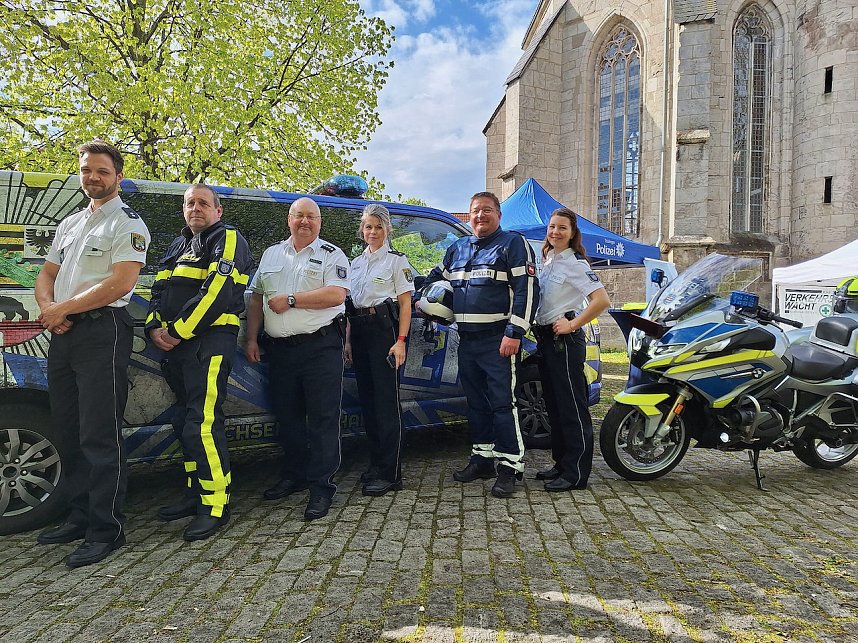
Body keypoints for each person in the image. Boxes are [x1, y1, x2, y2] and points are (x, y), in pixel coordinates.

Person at [34, 140, 150, 567]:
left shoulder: (128, 223)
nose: (93, 177)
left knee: (100, 434)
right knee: (68, 428)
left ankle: (106, 529)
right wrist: (50, 309)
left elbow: (121, 283)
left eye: (102, 170)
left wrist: (62, 308)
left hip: (103, 331)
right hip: (64, 333)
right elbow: (46, 273)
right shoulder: (69, 223)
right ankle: (80, 515)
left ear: (118, 176)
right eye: (86, 170)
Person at [145, 184, 253, 541]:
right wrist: (153, 327)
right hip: (177, 346)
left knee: (202, 423)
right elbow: (157, 291)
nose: (196, 208)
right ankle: (196, 493)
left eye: (203, 203)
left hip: (209, 341)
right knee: (184, 420)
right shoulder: (178, 245)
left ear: (217, 211)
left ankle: (215, 503)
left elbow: (217, 291)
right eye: (190, 203)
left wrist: (177, 331)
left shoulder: (227, 237)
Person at [420, 191, 539, 498]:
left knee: (502, 404)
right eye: (475, 211)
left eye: (487, 210)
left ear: (498, 214)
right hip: (466, 340)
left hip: (499, 340)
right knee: (476, 403)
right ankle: (482, 459)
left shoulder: (513, 244)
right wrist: (415, 296)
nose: (480, 215)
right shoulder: (458, 248)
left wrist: (515, 332)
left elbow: (527, 290)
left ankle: (510, 467)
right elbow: (435, 279)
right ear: (469, 215)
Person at [245, 197, 350, 520]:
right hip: (279, 350)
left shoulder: (332, 254)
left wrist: (291, 300)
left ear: (319, 222)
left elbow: (337, 294)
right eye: (299, 215)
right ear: (289, 219)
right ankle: (295, 475)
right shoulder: (271, 254)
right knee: (287, 417)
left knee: (322, 419)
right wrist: (251, 337)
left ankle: (321, 487)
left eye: (311, 217)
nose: (305, 221)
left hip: (320, 348)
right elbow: (257, 298)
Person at [532, 208, 610, 491]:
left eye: (562, 228)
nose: (555, 232)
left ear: (573, 232)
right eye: (552, 227)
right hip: (546, 339)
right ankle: (562, 463)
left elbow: (602, 301)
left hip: (564, 342)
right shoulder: (549, 259)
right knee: (554, 406)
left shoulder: (576, 263)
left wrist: (573, 324)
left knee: (572, 408)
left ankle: (576, 473)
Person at [344, 204, 414, 496]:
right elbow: (350, 305)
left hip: (385, 332)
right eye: (368, 226)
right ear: (362, 230)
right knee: (369, 403)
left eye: (378, 227)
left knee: (386, 404)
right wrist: (348, 340)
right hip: (360, 331)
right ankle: (376, 464)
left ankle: (391, 473)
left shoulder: (396, 261)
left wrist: (401, 340)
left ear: (387, 229)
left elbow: (406, 304)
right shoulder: (355, 263)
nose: (372, 232)